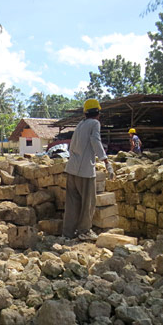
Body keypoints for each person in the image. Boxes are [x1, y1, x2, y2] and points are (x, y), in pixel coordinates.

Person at [62, 98, 111, 240]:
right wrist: (106, 161)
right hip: (85, 171)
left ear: (85, 113)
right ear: (98, 113)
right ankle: (84, 231)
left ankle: (68, 233)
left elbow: (72, 146)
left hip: (71, 169)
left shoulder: (80, 124)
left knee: (72, 203)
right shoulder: (95, 123)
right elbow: (96, 141)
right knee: (88, 202)